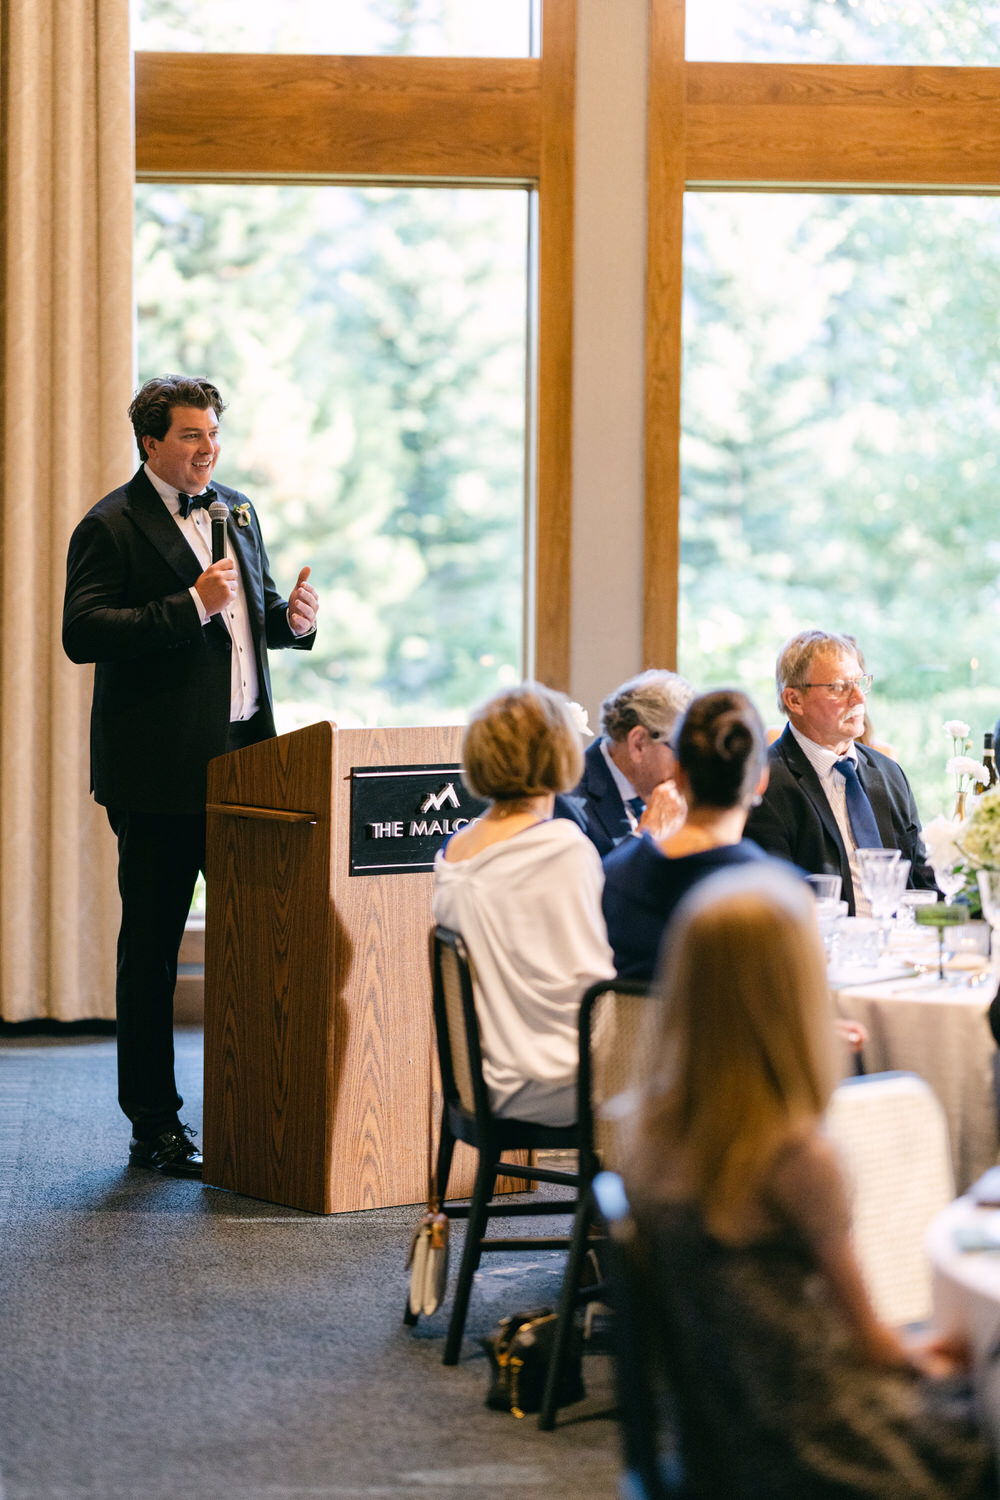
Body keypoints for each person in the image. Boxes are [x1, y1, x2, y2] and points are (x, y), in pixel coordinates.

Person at [625, 866, 993, 1499]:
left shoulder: (652, 1137)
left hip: (727, 1440)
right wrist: (940, 1357)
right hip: (822, 1450)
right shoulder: (795, 1158)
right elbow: (874, 1346)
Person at [62, 374, 319, 1177]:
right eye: (191, 437)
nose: (209, 450)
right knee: (153, 955)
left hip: (250, 763)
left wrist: (293, 623)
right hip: (160, 775)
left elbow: (256, 617)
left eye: (213, 435)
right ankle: (154, 1128)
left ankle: (255, 1112)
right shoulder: (109, 524)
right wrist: (189, 605)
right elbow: (83, 631)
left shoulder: (236, 509)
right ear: (150, 443)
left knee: (259, 948)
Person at [432, 683, 615, 1127]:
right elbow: (592, 980)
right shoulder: (560, 848)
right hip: (553, 1078)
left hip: (485, 1076)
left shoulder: (455, 850)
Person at [745, 629, 936, 914]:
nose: (859, 698)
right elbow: (773, 905)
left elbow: (922, 882)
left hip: (902, 947)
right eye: (838, 687)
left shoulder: (890, 774)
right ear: (794, 700)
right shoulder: (765, 782)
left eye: (860, 682)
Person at [602, 689, 778, 980]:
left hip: (640, 1027)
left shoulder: (615, 878)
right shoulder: (780, 894)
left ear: (679, 774)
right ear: (761, 781)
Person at [555, 668, 695, 856]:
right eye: (681, 751)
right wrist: (647, 837)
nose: (688, 766)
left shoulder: (671, 795)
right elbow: (587, 884)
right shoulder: (566, 801)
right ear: (638, 744)